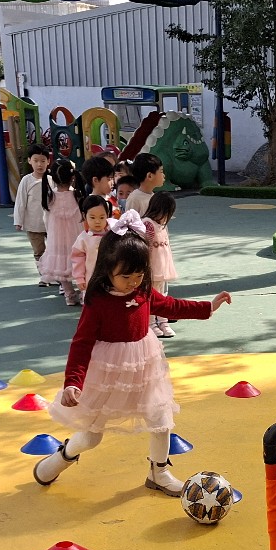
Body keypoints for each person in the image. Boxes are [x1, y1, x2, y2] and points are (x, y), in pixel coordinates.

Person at [33, 212, 232, 494]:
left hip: (144, 364)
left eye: (139, 275)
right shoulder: (98, 301)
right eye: (125, 276)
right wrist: (73, 382)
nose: (133, 282)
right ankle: (60, 458)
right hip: (108, 371)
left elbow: (170, 305)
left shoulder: (143, 291)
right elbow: (81, 343)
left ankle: (159, 473)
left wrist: (207, 307)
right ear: (107, 269)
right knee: (91, 437)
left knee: (160, 419)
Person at [38, 157, 85, 306]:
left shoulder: (50, 197)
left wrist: (50, 233)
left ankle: (69, 295)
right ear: (72, 177)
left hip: (57, 238)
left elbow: (46, 219)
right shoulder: (77, 196)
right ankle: (83, 294)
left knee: (61, 265)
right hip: (76, 237)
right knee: (81, 264)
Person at [13, 144, 51, 286]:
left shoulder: (51, 179)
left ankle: (55, 274)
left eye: (43, 161)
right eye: (36, 161)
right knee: (39, 251)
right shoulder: (26, 180)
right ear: (29, 161)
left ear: (48, 161)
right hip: (33, 224)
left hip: (51, 223)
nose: (39, 164)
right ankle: (44, 276)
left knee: (54, 250)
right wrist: (18, 220)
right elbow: (20, 201)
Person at [142, 192, 179, 339]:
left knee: (162, 295)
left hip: (162, 266)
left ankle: (163, 322)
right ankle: (151, 323)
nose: (166, 217)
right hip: (151, 267)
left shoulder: (162, 225)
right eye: (165, 212)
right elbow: (146, 245)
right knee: (151, 296)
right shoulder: (148, 224)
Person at [70, 194, 112, 297]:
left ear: (107, 215)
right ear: (84, 216)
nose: (97, 221)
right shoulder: (83, 238)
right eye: (92, 217)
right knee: (92, 301)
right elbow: (77, 259)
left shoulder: (112, 235)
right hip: (91, 279)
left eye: (102, 217)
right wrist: (79, 278)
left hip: (111, 279)